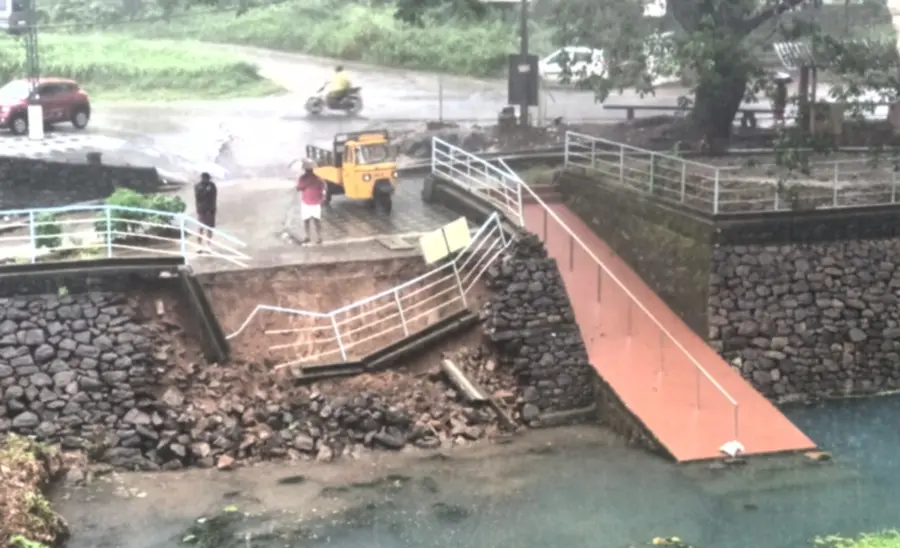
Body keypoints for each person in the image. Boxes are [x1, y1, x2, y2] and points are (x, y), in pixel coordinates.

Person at [296, 159, 326, 244]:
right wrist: (322, 199)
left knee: (309, 221)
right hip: (312, 202)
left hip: (309, 202)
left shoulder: (304, 178)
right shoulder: (317, 179)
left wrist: (322, 198)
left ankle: (311, 237)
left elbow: (298, 188)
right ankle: (316, 237)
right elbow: (323, 189)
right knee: (314, 221)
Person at [194, 172, 218, 249]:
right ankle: (199, 245)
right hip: (201, 210)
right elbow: (198, 197)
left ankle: (208, 245)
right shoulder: (198, 186)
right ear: (203, 178)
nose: (208, 180)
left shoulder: (212, 185)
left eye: (208, 179)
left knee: (209, 228)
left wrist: (212, 209)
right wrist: (206, 191)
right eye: (206, 179)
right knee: (200, 228)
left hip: (211, 210)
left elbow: (214, 197)